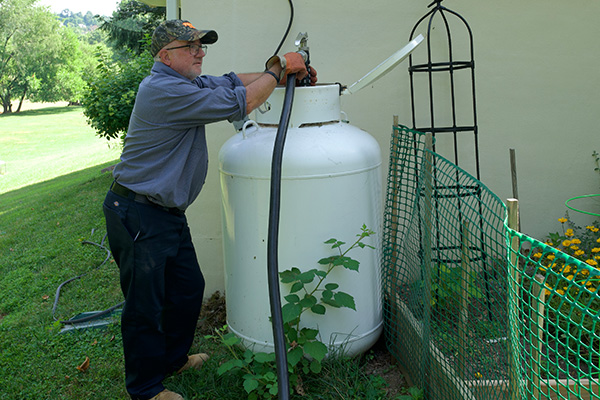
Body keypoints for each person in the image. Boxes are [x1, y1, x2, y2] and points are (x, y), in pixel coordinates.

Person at [102, 19, 315, 400]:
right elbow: (242, 100)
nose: (200, 52)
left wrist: (280, 74)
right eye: (191, 47)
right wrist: (281, 65)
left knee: (187, 289)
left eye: (202, 45)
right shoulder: (163, 92)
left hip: (163, 213)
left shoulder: (186, 83)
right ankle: (146, 389)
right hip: (137, 212)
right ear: (166, 56)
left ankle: (173, 359)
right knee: (145, 306)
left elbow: (233, 81)